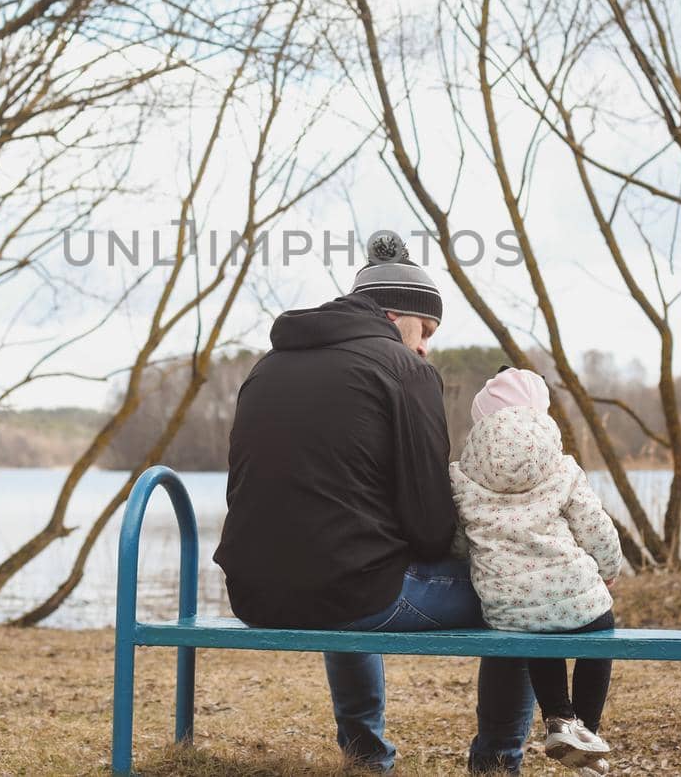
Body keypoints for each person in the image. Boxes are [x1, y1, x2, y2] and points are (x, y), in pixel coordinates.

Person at [213, 230, 535, 773]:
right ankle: (497, 763)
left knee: (346, 562)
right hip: (352, 593)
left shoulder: (266, 367)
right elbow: (432, 528)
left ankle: (365, 757)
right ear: (396, 314)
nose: (427, 344)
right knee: (529, 596)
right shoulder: (405, 371)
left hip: (252, 594)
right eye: (426, 328)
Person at [449, 368, 624, 776]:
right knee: (599, 630)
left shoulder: (462, 475)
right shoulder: (561, 467)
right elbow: (595, 526)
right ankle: (583, 727)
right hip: (573, 589)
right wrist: (609, 567)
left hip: (507, 608)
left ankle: (559, 717)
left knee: (536, 625)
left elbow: (458, 542)